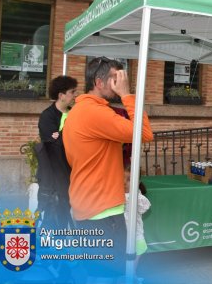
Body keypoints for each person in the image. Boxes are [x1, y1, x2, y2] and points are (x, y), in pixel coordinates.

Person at [63, 57, 154, 279]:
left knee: (97, 272)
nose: (119, 83)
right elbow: (144, 133)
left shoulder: (79, 111)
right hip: (103, 211)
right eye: (115, 79)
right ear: (99, 82)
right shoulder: (95, 113)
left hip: (88, 204)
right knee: (108, 275)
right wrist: (127, 95)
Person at [37, 75, 78, 230]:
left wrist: (60, 135)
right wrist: (65, 136)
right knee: (57, 211)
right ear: (61, 95)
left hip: (74, 170)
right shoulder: (47, 116)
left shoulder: (74, 113)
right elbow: (54, 146)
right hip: (55, 175)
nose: (75, 95)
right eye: (72, 92)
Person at [124, 166, 151, 270]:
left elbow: (145, 207)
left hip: (135, 235)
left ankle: (132, 275)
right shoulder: (115, 194)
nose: (124, 182)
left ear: (137, 182)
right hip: (121, 236)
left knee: (132, 265)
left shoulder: (138, 197)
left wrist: (132, 194)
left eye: (129, 179)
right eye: (122, 178)